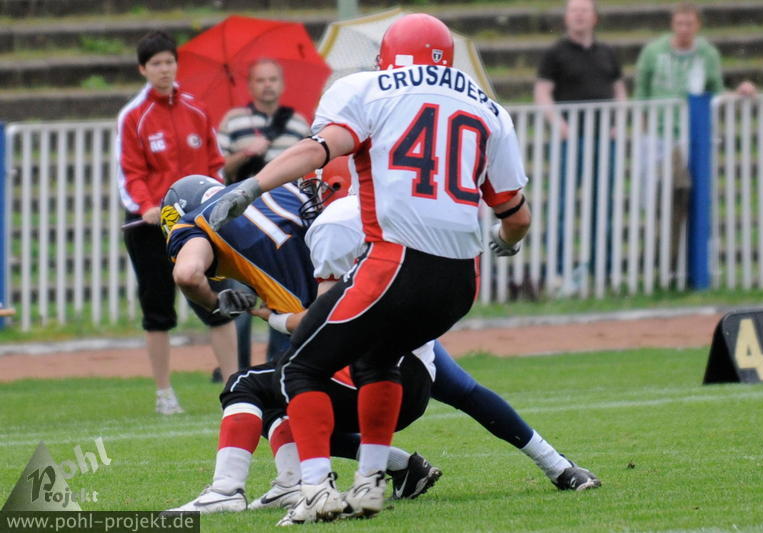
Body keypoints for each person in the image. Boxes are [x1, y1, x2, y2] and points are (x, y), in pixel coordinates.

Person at [207, 13, 532, 525]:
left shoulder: (367, 89)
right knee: (378, 360)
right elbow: (516, 216)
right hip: (461, 281)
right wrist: (503, 242)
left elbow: (319, 149)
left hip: (397, 262)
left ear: (389, 58)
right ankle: (370, 486)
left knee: (300, 368)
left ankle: (316, 491)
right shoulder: (489, 110)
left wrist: (252, 186)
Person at [161, 174, 441, 513]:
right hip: (410, 367)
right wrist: (268, 312)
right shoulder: (288, 197)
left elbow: (187, 275)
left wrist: (217, 303)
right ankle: (299, 483)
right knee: (280, 393)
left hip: (376, 372)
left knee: (246, 384)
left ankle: (227, 489)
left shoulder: (197, 222)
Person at [115, 30, 237, 415]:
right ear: (143, 69)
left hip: (197, 224)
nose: (164, 70)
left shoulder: (197, 109)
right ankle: (164, 393)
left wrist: (215, 200)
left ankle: (236, 388)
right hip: (150, 227)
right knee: (157, 311)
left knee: (217, 302)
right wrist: (147, 206)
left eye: (169, 62)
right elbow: (130, 174)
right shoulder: (133, 116)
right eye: (156, 64)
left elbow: (215, 164)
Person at [634, 2, 757, 275]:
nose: (684, 29)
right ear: (672, 25)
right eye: (680, 24)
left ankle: (679, 262)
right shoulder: (654, 52)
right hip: (659, 135)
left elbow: (716, 91)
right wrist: (642, 134)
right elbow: (641, 94)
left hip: (692, 136)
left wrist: (740, 92)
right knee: (664, 198)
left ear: (697, 25)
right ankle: (662, 259)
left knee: (688, 199)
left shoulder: (707, 54)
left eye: (689, 24)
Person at [216, 58, 313, 371]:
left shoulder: (297, 123)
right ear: (250, 85)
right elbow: (217, 170)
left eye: (273, 79)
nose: (267, 85)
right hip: (242, 226)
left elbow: (310, 167)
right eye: (261, 80)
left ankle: (280, 369)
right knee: (240, 303)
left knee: (285, 301)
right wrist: (246, 153)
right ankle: (239, 373)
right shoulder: (234, 121)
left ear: (281, 84)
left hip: (285, 225)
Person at [534, 0, 627, 293]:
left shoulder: (607, 52)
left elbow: (619, 90)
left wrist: (618, 122)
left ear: (594, 17)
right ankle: (558, 271)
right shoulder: (554, 53)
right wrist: (559, 125)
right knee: (562, 206)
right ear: (566, 17)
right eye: (574, 11)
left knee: (604, 206)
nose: (579, 16)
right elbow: (543, 92)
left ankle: (605, 272)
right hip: (570, 141)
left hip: (604, 140)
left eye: (584, 11)